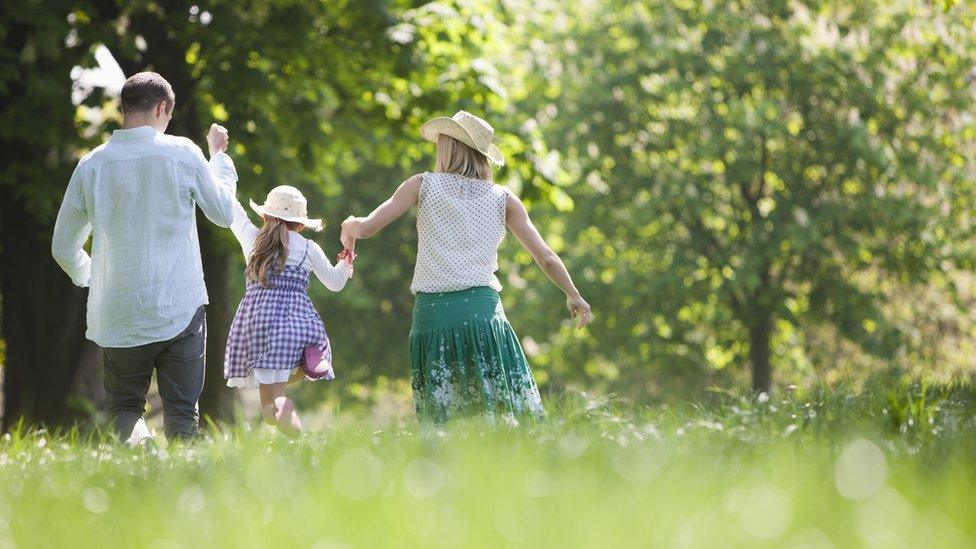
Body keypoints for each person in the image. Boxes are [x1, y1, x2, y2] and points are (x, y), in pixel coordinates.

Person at [340, 110, 591, 423]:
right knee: (497, 413)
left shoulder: (421, 185)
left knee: (445, 421)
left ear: (449, 147)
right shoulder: (504, 199)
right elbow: (546, 256)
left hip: (433, 315)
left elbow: (366, 228)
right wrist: (573, 294)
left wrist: (349, 228)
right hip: (483, 314)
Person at [51, 71, 238, 445]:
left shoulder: (92, 164)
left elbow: (62, 247)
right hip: (178, 307)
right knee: (184, 414)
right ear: (162, 108)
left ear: (124, 109)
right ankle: (186, 493)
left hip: (118, 311)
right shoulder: (183, 152)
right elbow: (223, 213)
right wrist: (219, 159)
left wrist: (93, 276)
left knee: (124, 411)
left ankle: (142, 459)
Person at [223, 185, 354, 435]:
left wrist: (218, 158)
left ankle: (290, 419)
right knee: (278, 391)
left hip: (259, 328)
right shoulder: (308, 248)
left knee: (269, 410)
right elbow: (336, 283)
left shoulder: (253, 240)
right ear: (301, 225)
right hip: (296, 329)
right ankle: (306, 363)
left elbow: (233, 209)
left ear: (264, 217)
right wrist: (347, 254)